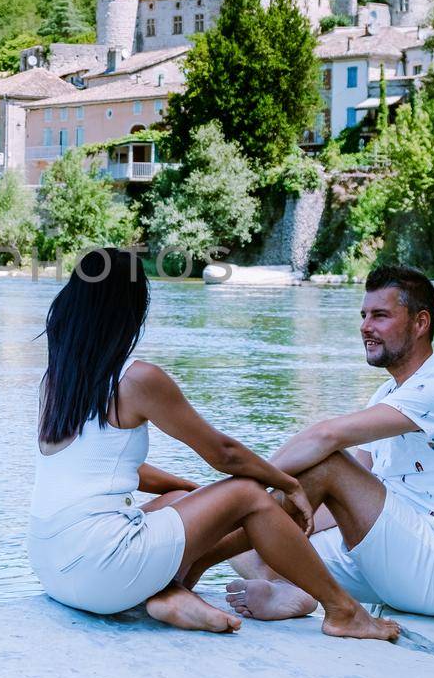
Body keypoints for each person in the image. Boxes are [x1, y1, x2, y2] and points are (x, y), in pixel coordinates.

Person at [29, 247, 398, 641]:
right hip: (100, 567)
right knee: (247, 494)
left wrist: (193, 495)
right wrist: (286, 483)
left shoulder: (57, 381)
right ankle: (343, 611)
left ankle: (167, 593)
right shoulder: (136, 380)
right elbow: (224, 454)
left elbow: (109, 469)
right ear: (130, 311)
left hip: (52, 565)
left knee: (176, 499)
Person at [226, 264, 434, 623]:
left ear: (420, 323)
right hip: (392, 553)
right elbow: (344, 495)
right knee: (249, 535)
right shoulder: (388, 392)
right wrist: (270, 519)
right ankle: (294, 589)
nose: (365, 327)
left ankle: (190, 563)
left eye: (381, 316)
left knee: (319, 466)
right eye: (364, 315)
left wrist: (243, 486)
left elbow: (326, 439)